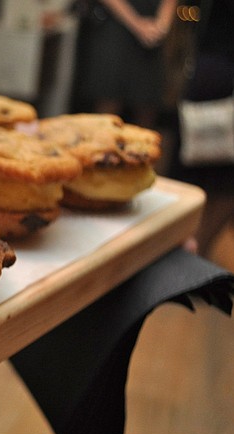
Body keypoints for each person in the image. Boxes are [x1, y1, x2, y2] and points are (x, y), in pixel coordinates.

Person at [168, 0, 234, 257]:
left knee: (214, 178)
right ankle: (190, 252)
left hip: (210, 70)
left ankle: (191, 252)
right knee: (209, 175)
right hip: (217, 75)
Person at [73, 0, 177, 128]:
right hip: (115, 28)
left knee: (147, 104)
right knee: (108, 105)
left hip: (152, 30)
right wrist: (138, 25)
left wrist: (161, 26)